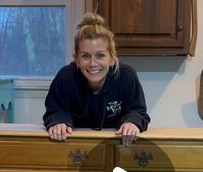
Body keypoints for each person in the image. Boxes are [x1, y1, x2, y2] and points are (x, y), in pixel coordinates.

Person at [43, 12, 150, 145]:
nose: (93, 64)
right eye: (85, 56)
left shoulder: (127, 76)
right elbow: (55, 110)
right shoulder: (65, 78)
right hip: (75, 147)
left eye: (100, 55)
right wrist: (58, 122)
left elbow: (137, 111)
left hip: (116, 147)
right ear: (76, 59)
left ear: (111, 57)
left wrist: (132, 123)